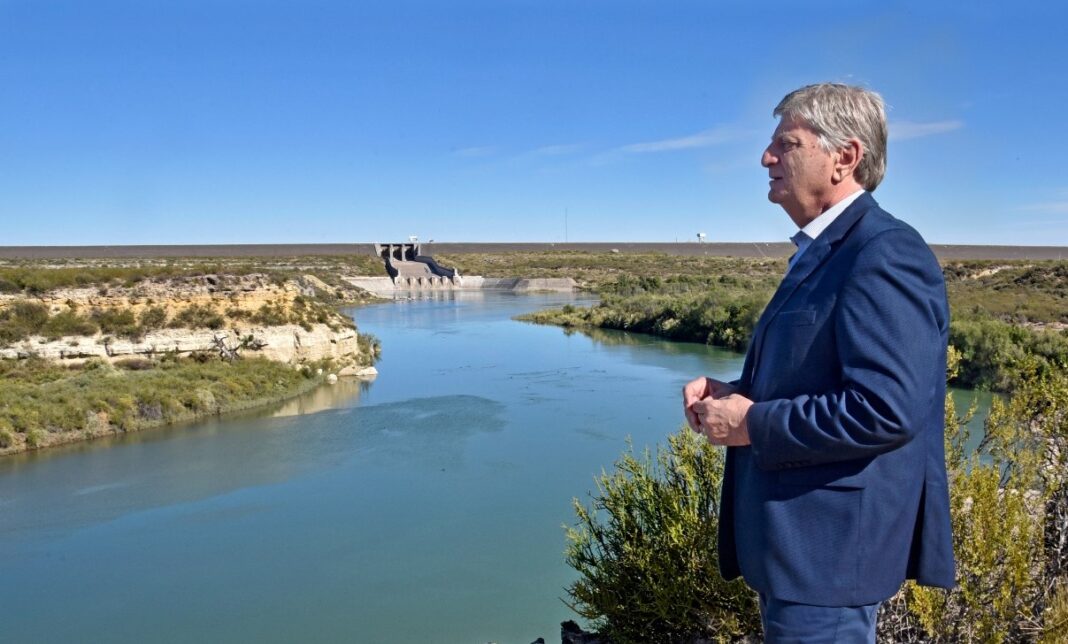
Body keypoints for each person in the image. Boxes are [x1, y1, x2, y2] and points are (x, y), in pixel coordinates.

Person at [682, 83, 955, 642]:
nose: (766, 158)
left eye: (786, 144)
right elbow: (819, 378)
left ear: (845, 158)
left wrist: (751, 423)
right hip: (803, 555)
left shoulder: (883, 253)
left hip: (828, 561)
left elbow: (885, 409)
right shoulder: (829, 251)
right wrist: (732, 393)